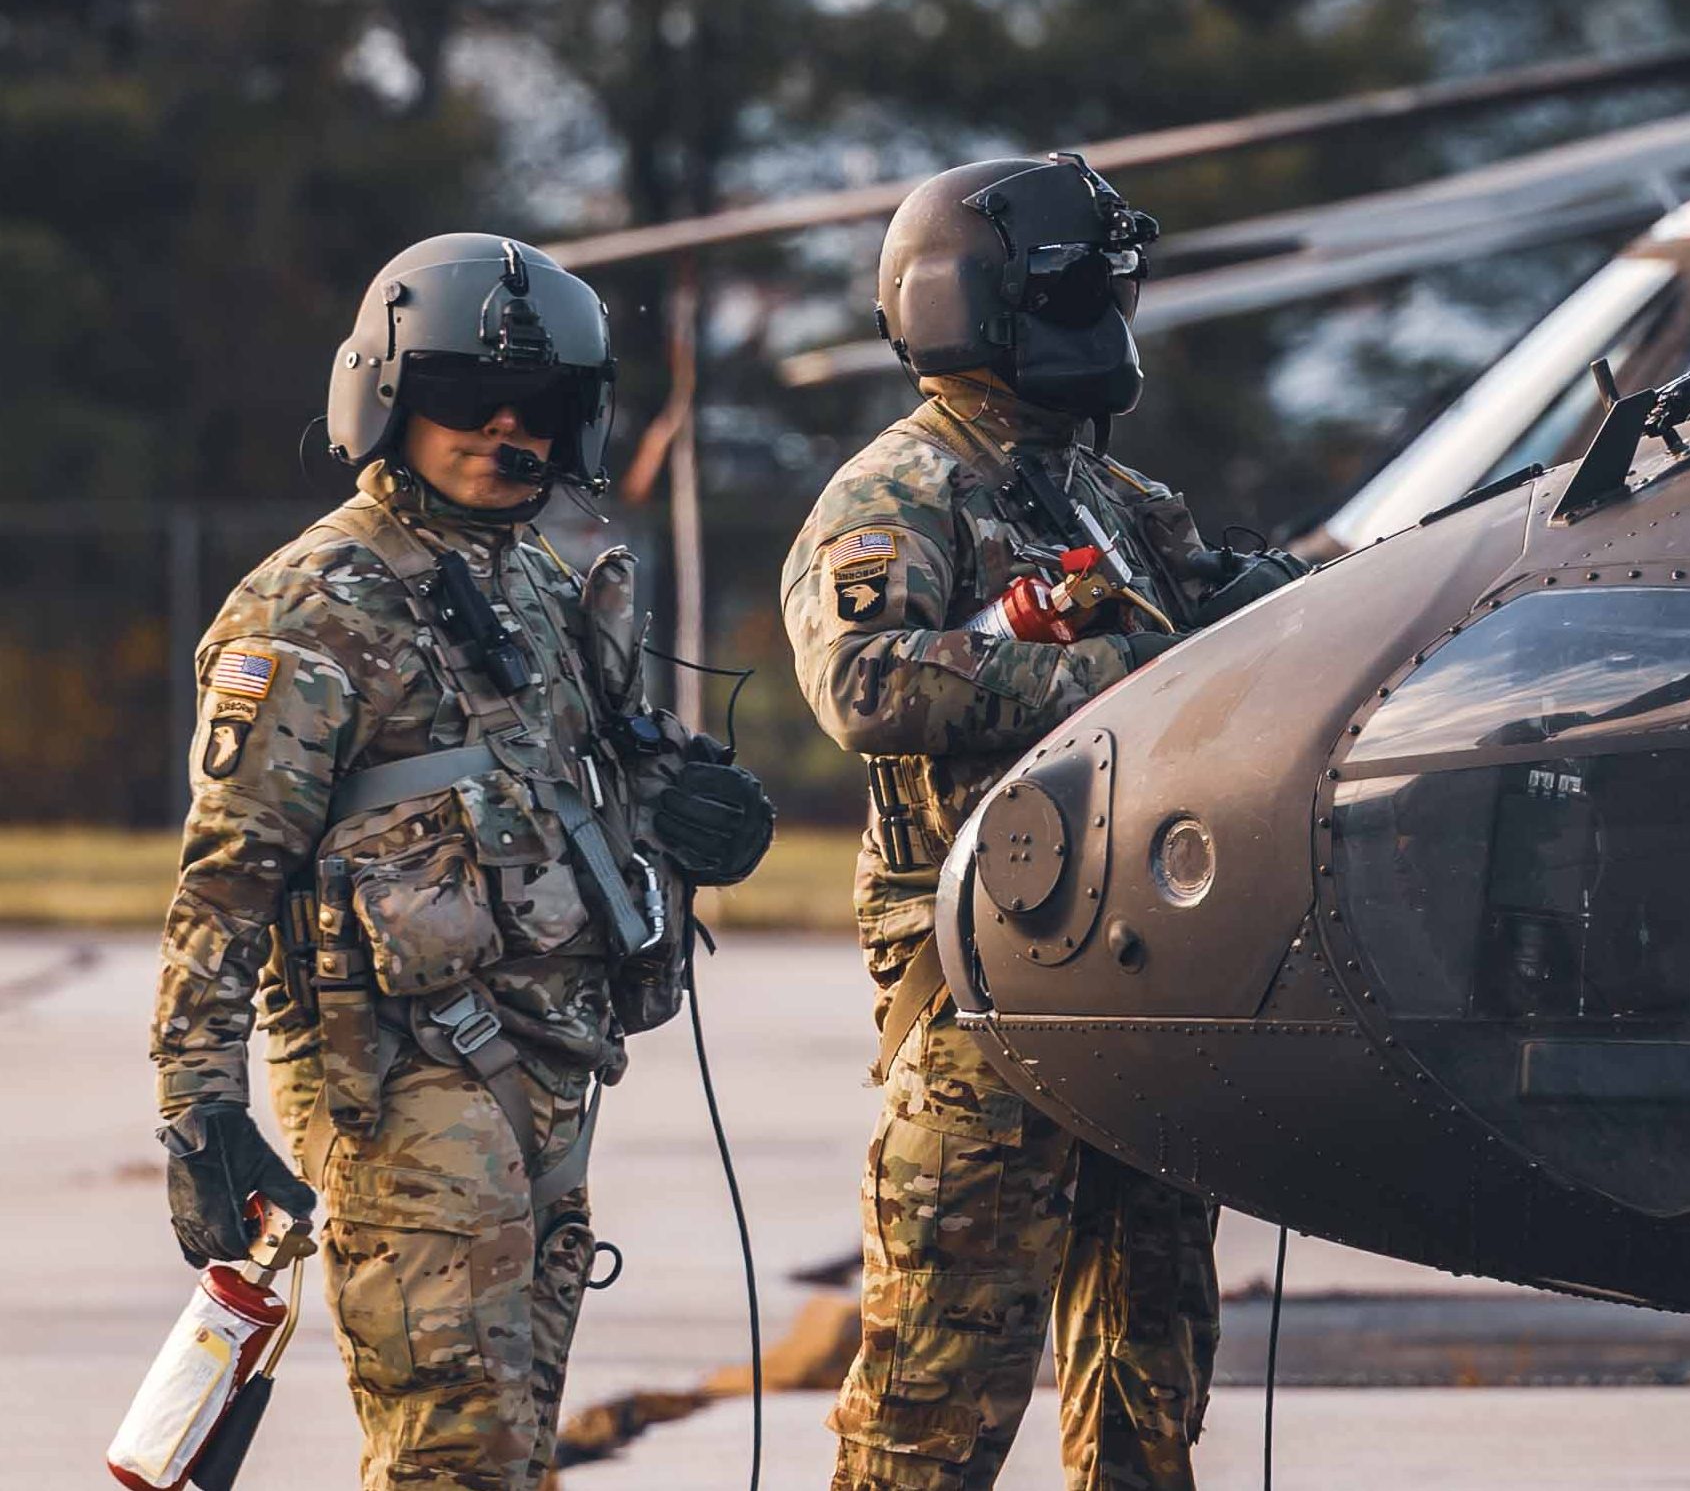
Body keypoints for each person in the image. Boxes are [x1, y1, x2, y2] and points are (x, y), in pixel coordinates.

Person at [149, 233, 775, 1489]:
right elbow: (225, 880)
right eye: (459, 398)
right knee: (454, 1456)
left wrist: (687, 804)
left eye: (538, 404)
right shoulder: (308, 608)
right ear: (386, 400)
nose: (505, 427)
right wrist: (197, 1105)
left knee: (513, 1450)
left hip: (550, 1072)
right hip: (399, 1084)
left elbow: (577, 776)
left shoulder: (537, 583)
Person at [785, 152, 1231, 1491]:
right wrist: (1119, 677)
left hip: (1139, 985)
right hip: (986, 1002)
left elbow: (1242, 618)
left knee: (1151, 1387)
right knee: (936, 1396)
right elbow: (863, 683)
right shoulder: (896, 494)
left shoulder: (1115, 497)